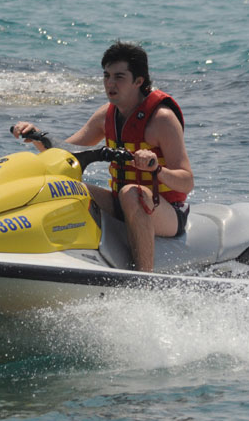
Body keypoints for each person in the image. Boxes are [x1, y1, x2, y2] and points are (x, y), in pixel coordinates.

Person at [12, 42, 193, 272]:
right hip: (122, 201)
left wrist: (156, 169)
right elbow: (66, 154)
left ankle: (143, 279)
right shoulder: (105, 116)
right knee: (65, 187)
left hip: (166, 210)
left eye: (119, 77)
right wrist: (37, 136)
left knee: (132, 193)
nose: (110, 83)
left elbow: (187, 181)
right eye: (106, 76)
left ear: (139, 81)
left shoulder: (162, 120)